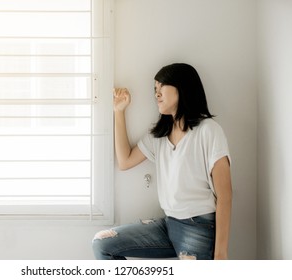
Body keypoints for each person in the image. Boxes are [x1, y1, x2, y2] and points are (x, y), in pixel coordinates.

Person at [92, 63, 232, 260]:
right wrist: (119, 111)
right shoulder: (159, 136)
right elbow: (125, 161)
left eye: (162, 87)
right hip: (168, 225)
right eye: (154, 89)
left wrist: (221, 253)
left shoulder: (208, 131)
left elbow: (225, 195)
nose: (156, 94)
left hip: (198, 227)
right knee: (103, 243)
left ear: (182, 88)